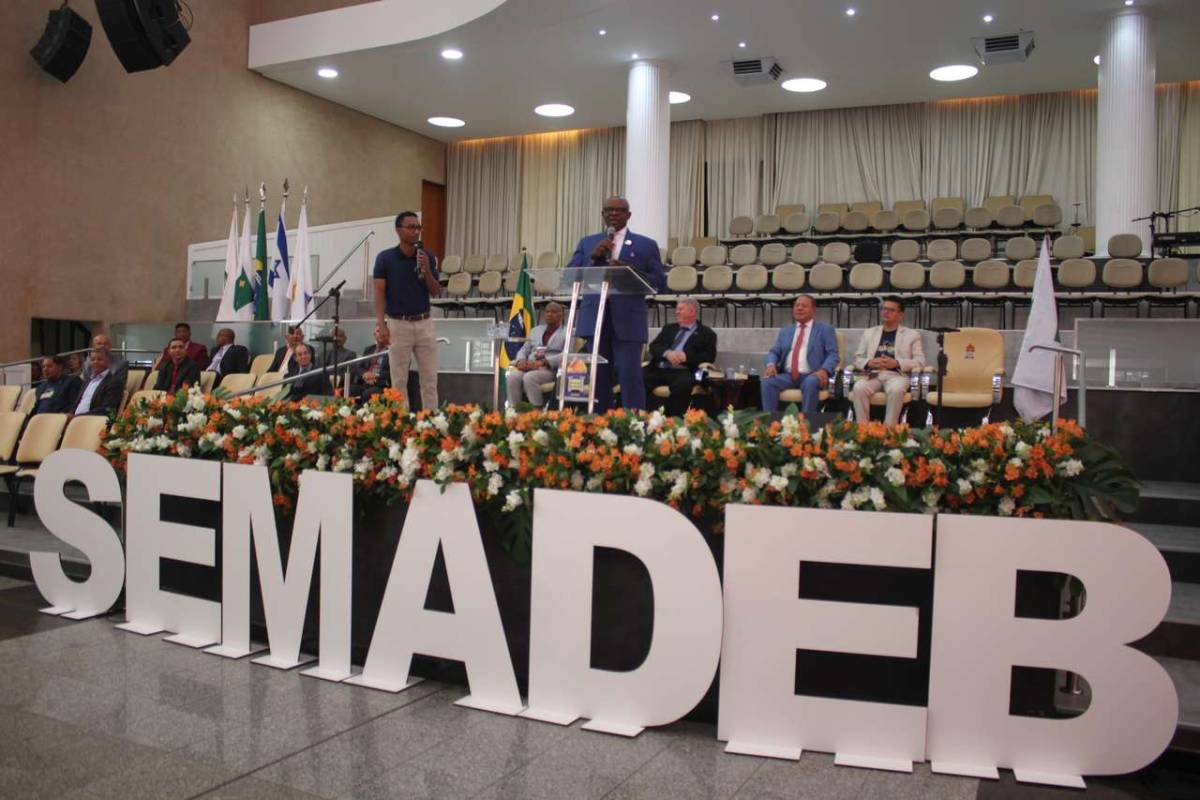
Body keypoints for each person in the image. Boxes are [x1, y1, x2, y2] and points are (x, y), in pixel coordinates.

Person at [566, 196, 666, 412]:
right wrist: (593, 258)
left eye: (619, 210)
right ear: (603, 214)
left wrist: (628, 271)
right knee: (598, 377)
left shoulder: (646, 245)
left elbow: (659, 282)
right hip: (595, 318)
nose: (613, 213)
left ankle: (634, 423)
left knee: (630, 376)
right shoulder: (587, 243)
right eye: (609, 210)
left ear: (628, 215)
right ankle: (599, 422)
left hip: (628, 321)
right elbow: (569, 277)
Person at [373, 211, 441, 412]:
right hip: (398, 323)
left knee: (430, 379)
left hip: (424, 322)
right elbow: (379, 292)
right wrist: (381, 324)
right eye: (411, 227)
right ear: (398, 230)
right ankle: (401, 422)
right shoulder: (385, 258)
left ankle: (431, 421)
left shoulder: (427, 256)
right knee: (399, 379)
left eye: (418, 227)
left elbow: (435, 291)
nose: (415, 231)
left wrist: (427, 269)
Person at [851, 296, 925, 426]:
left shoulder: (912, 335)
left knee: (896, 390)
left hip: (897, 375)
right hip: (873, 374)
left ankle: (889, 431)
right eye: (884, 309)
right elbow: (857, 358)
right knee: (859, 387)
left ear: (900, 315)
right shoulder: (869, 333)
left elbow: (920, 361)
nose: (886, 312)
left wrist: (897, 363)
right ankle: (862, 429)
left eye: (891, 310)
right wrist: (869, 362)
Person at [761, 294, 839, 415]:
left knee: (810, 382)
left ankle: (807, 423)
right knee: (767, 382)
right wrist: (771, 364)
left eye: (804, 306)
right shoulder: (786, 331)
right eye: (796, 305)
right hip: (788, 375)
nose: (799, 308)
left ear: (813, 310)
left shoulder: (825, 329)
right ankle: (770, 423)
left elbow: (833, 354)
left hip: (812, 374)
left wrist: (824, 370)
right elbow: (774, 351)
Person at [643, 298, 717, 417]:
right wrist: (667, 353)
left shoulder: (707, 334)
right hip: (660, 369)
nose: (676, 312)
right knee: (636, 377)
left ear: (692, 311)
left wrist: (687, 357)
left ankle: (672, 419)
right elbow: (654, 346)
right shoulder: (669, 328)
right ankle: (641, 416)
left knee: (683, 385)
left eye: (680, 309)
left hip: (686, 371)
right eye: (677, 309)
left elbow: (709, 357)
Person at [505, 302, 566, 407]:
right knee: (512, 377)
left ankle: (536, 410)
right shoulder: (535, 330)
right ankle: (516, 410)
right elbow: (524, 349)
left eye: (554, 312)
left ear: (561, 315)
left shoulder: (567, 332)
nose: (549, 314)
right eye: (547, 312)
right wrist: (521, 360)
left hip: (549, 370)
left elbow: (568, 355)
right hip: (529, 366)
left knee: (529, 377)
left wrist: (543, 362)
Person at [73, 349, 125, 417]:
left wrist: (79, 416)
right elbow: (76, 404)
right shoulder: (87, 381)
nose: (95, 362)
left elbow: (107, 409)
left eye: (100, 359)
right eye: (93, 360)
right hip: (75, 419)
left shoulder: (114, 382)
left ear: (108, 362)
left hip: (94, 420)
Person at [350, 326, 391, 402]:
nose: (381, 334)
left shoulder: (392, 351)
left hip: (381, 384)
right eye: (378, 331)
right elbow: (359, 367)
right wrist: (365, 373)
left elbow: (392, 372)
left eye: (383, 331)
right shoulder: (369, 349)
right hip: (364, 382)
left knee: (369, 393)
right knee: (349, 390)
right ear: (374, 334)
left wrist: (375, 375)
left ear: (388, 334)